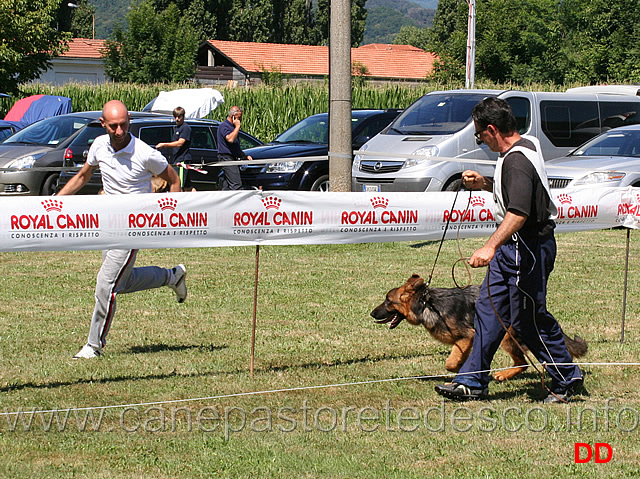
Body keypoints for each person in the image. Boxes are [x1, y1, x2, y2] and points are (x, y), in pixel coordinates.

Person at [434, 97, 583, 403]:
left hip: (526, 249)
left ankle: (566, 377)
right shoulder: (525, 145)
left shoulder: (517, 161)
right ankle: (472, 382)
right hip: (513, 250)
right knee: (488, 311)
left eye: (480, 135)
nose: (481, 141)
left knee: (528, 319)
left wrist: (489, 246)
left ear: (492, 129)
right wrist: (486, 183)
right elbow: (519, 191)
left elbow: (519, 212)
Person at [57, 100, 188, 359]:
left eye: (123, 125)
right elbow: (83, 176)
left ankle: (94, 345)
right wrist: (55, 202)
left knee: (105, 284)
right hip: (108, 225)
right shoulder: (98, 146)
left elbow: (173, 179)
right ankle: (172, 276)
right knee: (121, 282)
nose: (119, 131)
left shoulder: (145, 152)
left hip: (132, 228)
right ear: (103, 124)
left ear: (129, 121)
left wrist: (173, 218)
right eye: (113, 126)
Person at [156, 106, 193, 190]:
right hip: (176, 159)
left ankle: (180, 202)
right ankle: (198, 201)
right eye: (175, 117)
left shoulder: (185, 128)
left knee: (178, 184)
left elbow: (180, 143)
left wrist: (164, 144)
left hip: (182, 160)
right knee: (188, 186)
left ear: (183, 116)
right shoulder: (177, 128)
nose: (177, 119)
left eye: (179, 117)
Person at [216, 106, 252, 190]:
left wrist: (244, 156)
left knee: (227, 185)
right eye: (239, 117)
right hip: (226, 158)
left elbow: (235, 146)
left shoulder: (232, 128)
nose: (241, 120)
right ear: (233, 116)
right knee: (236, 185)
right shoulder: (224, 126)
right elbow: (230, 139)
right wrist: (237, 127)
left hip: (233, 157)